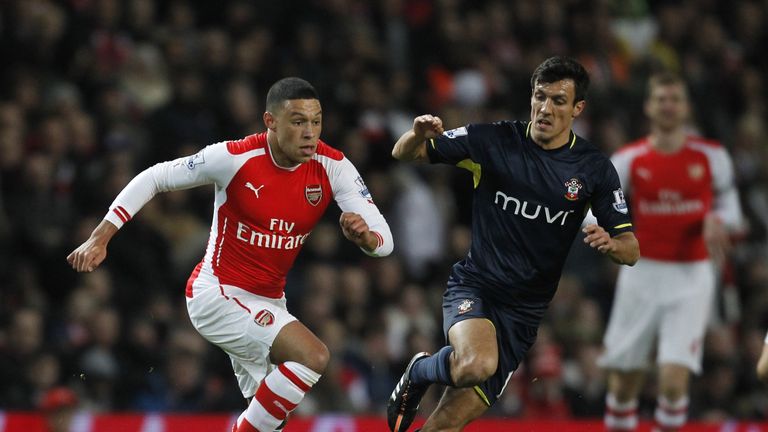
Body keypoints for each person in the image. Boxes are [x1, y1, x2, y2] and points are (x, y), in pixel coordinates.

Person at [67, 77, 393, 432]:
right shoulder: (234, 157)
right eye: (298, 121)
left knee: (272, 419)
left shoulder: (333, 167)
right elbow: (154, 177)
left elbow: (384, 240)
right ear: (271, 121)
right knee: (313, 356)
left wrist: (366, 239)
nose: (310, 133)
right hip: (217, 293)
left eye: (316, 122)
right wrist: (101, 237)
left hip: (269, 301)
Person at [386, 56, 640, 432]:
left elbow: (631, 249)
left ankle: (430, 371)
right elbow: (404, 153)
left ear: (577, 108)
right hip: (476, 288)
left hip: (522, 316)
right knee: (476, 365)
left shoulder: (593, 169)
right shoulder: (494, 141)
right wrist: (417, 134)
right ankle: (420, 370)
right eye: (540, 97)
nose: (545, 109)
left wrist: (610, 243)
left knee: (442, 426)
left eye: (558, 100)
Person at [599, 72, 742, 432]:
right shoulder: (629, 159)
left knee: (674, 380)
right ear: (649, 106)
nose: (667, 105)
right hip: (641, 273)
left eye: (674, 99)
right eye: (661, 98)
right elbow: (597, 206)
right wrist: (608, 235)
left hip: (692, 275)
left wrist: (718, 218)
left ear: (685, 107)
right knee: (623, 383)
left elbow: (732, 207)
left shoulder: (711, 156)